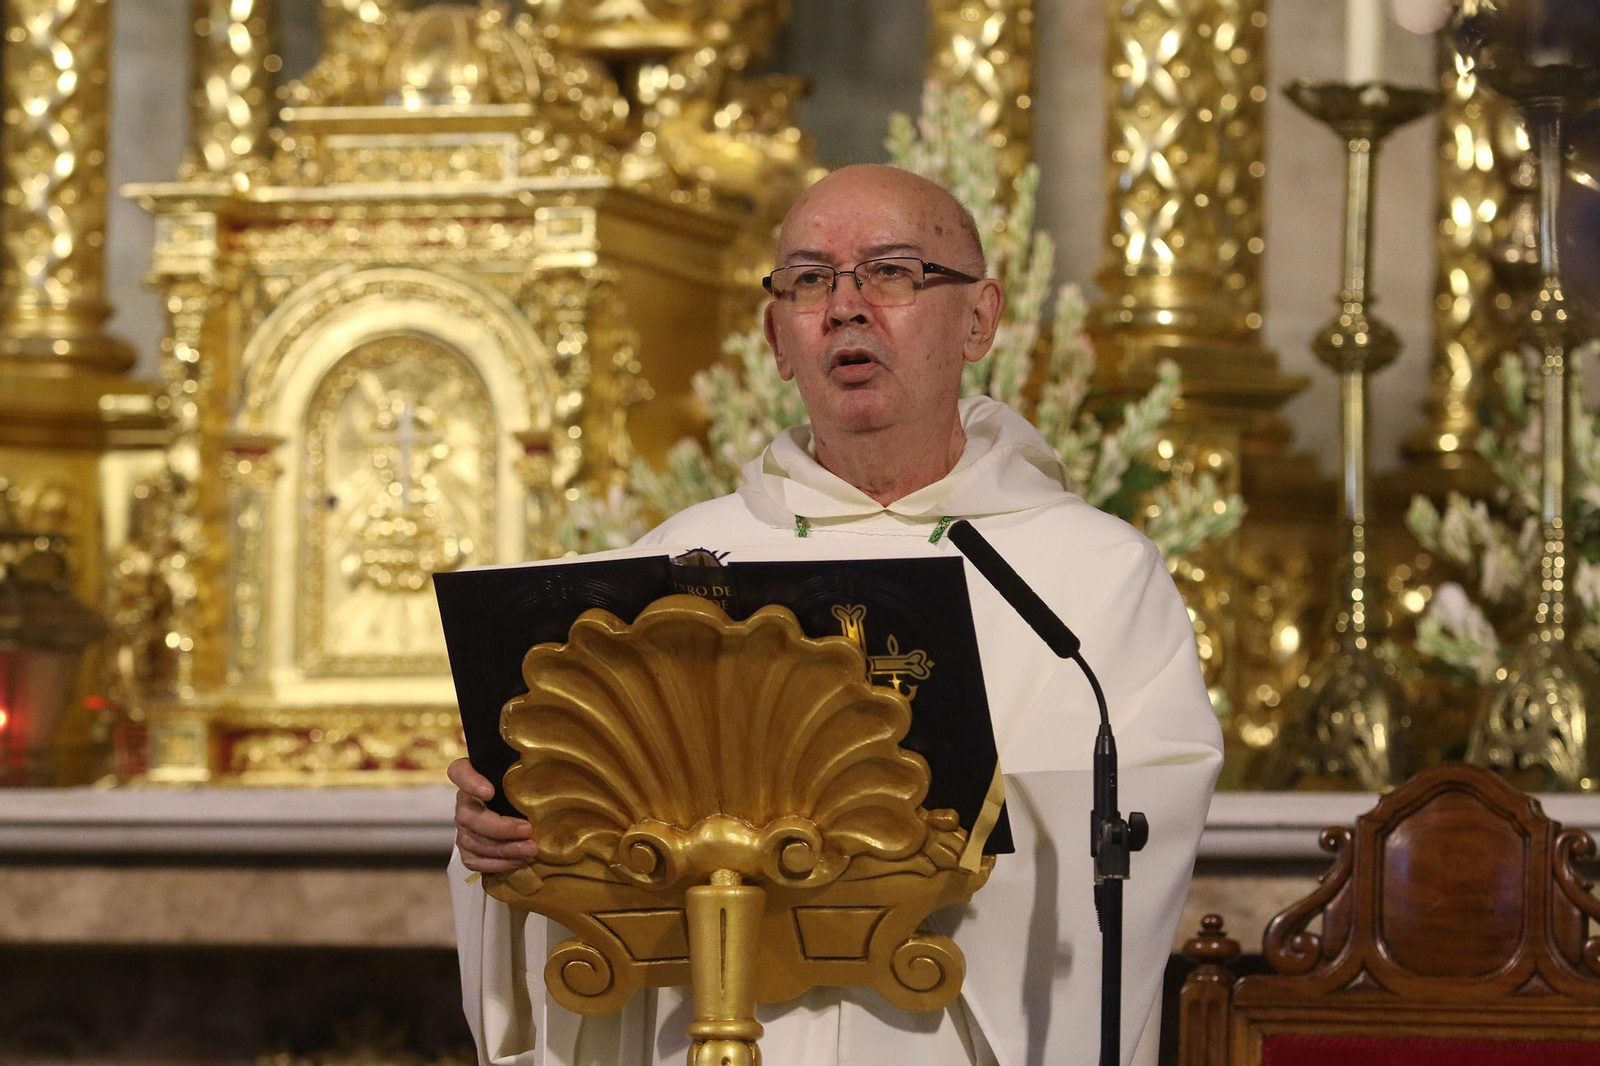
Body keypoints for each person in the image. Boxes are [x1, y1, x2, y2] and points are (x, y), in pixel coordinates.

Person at [448, 164, 1223, 1066]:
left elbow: (1133, 832)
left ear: (979, 319)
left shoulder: (1095, 576)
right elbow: (573, 827)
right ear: (777, 336)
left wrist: (871, 849)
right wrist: (507, 835)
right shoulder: (672, 572)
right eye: (811, 281)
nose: (847, 307)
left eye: (891, 272)